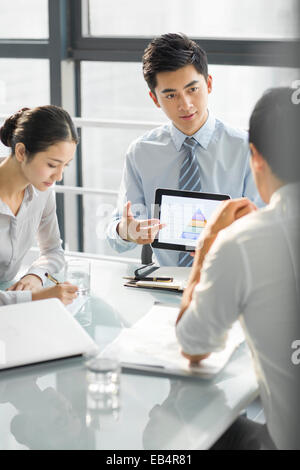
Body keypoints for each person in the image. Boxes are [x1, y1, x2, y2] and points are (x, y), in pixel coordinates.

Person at [176, 87, 300, 450]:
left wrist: (207, 244)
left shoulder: (242, 244)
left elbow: (193, 345)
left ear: (255, 157)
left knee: (198, 420)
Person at [107, 33, 262, 267]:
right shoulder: (141, 153)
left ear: (208, 84)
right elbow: (119, 231)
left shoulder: (245, 148)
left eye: (192, 89)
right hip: (164, 283)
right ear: (155, 99)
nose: (185, 105)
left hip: (230, 279)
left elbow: (264, 227)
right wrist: (126, 231)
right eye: (171, 95)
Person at [0, 105, 79, 306]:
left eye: (65, 165)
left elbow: (53, 250)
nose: (59, 176)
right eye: (52, 165)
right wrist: (35, 297)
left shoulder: (41, 192)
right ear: (21, 152)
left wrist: (36, 275)